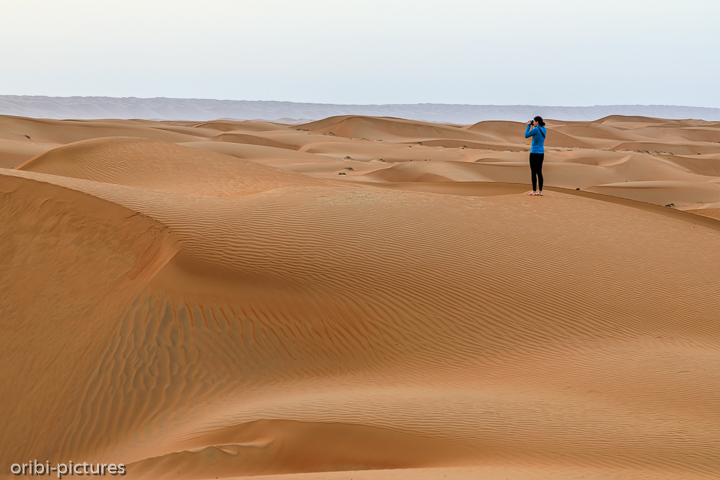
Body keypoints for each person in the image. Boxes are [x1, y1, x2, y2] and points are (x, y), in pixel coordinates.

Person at [524, 116, 547, 196]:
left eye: (534, 121)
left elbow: (526, 135)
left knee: (533, 172)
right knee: (539, 172)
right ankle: (540, 191)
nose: (533, 122)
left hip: (534, 153)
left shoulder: (536, 129)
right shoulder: (544, 129)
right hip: (541, 153)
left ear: (537, 122)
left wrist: (528, 125)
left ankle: (534, 191)